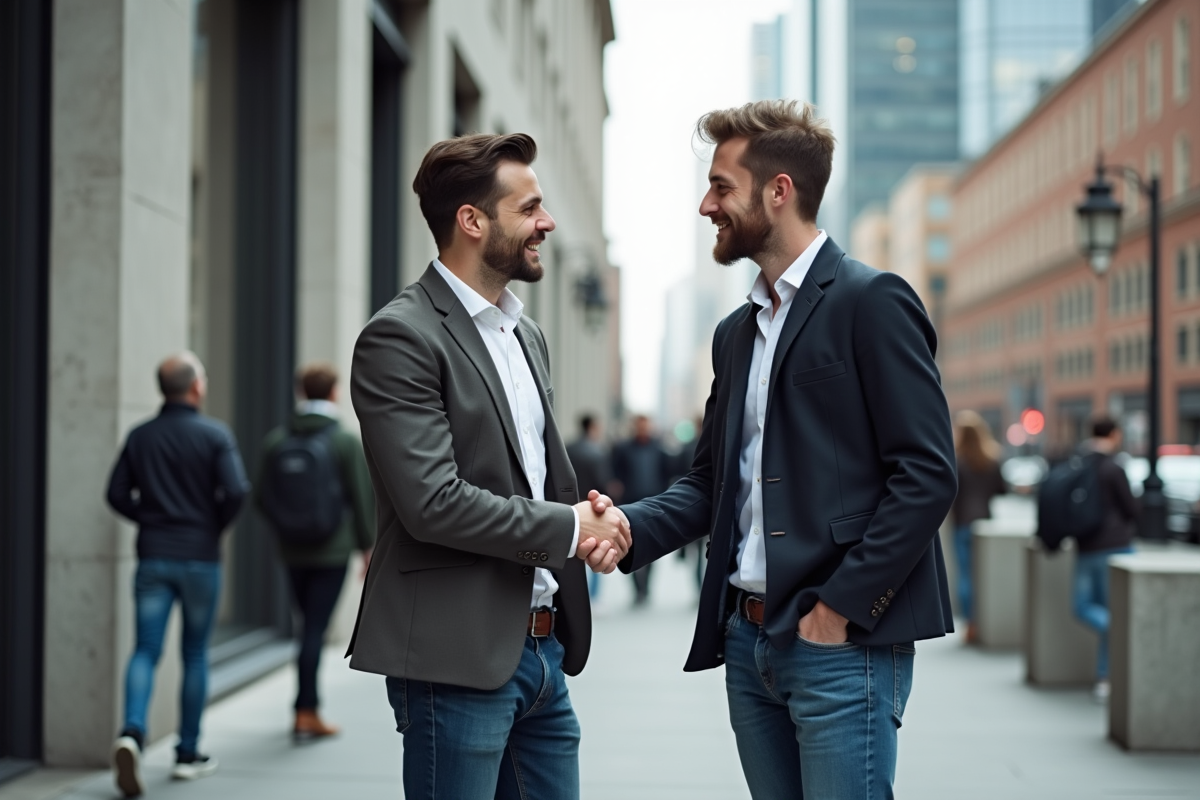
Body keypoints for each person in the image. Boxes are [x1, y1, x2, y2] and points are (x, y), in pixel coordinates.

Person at [608, 100, 957, 800]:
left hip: (840, 645)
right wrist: (627, 526)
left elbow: (925, 475)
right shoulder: (736, 333)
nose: (707, 205)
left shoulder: (872, 301)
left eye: (721, 186)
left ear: (779, 191)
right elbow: (713, 482)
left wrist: (840, 610)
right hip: (747, 642)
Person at [348, 132, 629, 800]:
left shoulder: (524, 333)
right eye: (530, 208)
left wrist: (592, 518)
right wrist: (569, 528)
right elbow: (433, 501)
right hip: (456, 660)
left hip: (542, 653)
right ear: (472, 221)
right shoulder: (401, 336)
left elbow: (535, 477)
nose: (548, 222)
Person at [106, 352, 250, 797]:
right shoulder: (214, 434)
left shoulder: (141, 435)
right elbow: (238, 490)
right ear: (196, 387)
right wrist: (213, 526)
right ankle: (187, 753)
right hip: (201, 558)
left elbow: (115, 494)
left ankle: (132, 732)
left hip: (153, 555)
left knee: (146, 650)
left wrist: (149, 517)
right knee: (194, 654)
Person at [257, 362, 375, 740]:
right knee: (315, 630)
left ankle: (305, 706)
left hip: (291, 551)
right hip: (331, 552)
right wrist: (366, 547)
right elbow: (361, 498)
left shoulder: (276, 440)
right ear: (334, 392)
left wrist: (285, 527)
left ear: (301, 392)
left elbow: (260, 497)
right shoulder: (343, 440)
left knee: (304, 625)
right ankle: (306, 710)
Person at [1074, 416, 1138, 702]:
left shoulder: (1079, 463)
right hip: (1116, 547)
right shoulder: (1114, 467)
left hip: (1086, 546)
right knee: (1111, 614)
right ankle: (1105, 676)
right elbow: (1132, 508)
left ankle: (1105, 676)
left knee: (1083, 606)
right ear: (1113, 434)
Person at [951, 410, 1006, 643]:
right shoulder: (991, 459)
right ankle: (986, 620)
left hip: (963, 522)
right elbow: (1002, 490)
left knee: (965, 576)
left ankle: (971, 623)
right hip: (985, 524)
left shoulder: (956, 460)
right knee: (985, 575)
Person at [611, 414, 673, 605]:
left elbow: (667, 474)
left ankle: (646, 588)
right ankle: (637, 589)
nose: (643, 429)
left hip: (653, 504)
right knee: (630, 548)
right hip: (630, 506)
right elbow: (615, 473)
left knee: (652, 549)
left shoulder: (659, 449)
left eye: (646, 426)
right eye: (640, 426)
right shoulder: (623, 449)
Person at [566, 414, 613, 599]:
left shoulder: (568, 448)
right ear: (592, 426)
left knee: (572, 554)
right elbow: (603, 482)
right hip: (593, 509)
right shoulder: (598, 451)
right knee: (595, 552)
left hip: (569, 507)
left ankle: (575, 594)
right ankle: (592, 596)